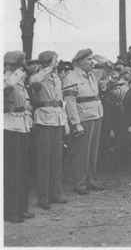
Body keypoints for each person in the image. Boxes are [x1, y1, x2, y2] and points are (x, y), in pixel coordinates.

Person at [29, 51, 68, 209]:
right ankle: (43, 196)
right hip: (44, 119)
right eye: (55, 60)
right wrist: (46, 69)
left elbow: (60, 101)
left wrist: (65, 122)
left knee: (56, 159)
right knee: (44, 160)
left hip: (57, 119)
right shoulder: (39, 76)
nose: (57, 63)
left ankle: (56, 192)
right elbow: (33, 82)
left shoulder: (56, 77)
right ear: (48, 61)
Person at [62, 49, 104, 195]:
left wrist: (99, 59)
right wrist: (76, 123)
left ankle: (91, 179)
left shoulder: (91, 75)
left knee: (93, 151)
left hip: (96, 114)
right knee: (81, 152)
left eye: (92, 59)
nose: (92, 62)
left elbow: (106, 66)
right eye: (88, 59)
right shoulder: (71, 77)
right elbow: (70, 102)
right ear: (79, 61)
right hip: (83, 117)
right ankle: (79, 182)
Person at [4, 51, 34, 223]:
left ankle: (21, 208)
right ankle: (10, 211)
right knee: (12, 171)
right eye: (23, 65)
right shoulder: (7, 79)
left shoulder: (20, 82)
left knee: (23, 170)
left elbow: (26, 102)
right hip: (9, 127)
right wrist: (17, 74)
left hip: (22, 126)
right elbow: (6, 86)